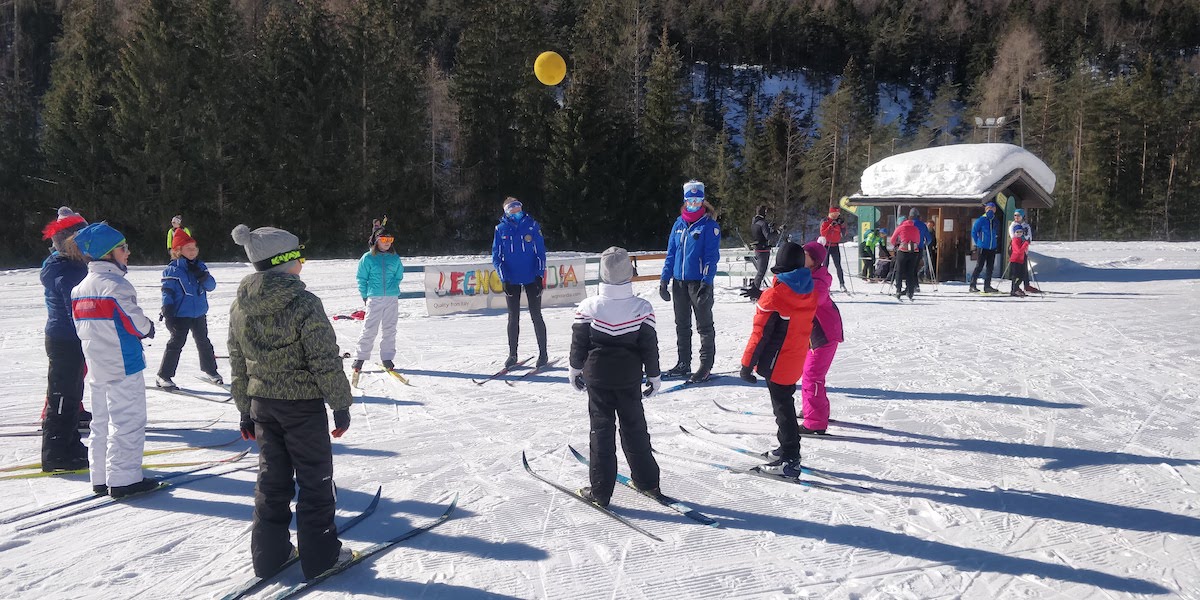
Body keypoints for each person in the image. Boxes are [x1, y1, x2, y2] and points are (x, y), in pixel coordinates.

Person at [228, 224, 355, 580]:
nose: (303, 262)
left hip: (262, 406)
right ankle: (321, 556)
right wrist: (340, 403)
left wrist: (244, 410)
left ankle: (270, 555)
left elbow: (237, 361)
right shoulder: (304, 303)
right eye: (299, 256)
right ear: (285, 262)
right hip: (301, 405)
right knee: (315, 481)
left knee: (272, 480)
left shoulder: (241, 305)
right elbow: (323, 357)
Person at [569, 247, 663, 507]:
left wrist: (575, 369)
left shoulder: (589, 306)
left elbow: (579, 344)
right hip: (629, 379)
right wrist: (654, 376)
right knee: (635, 429)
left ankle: (600, 491)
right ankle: (648, 482)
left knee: (601, 431)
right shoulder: (642, 308)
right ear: (630, 273)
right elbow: (649, 347)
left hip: (598, 379)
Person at [70, 222, 157, 498]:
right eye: (123, 248)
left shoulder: (80, 288)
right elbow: (135, 323)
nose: (127, 253)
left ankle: (100, 476)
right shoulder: (115, 286)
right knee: (128, 420)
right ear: (108, 254)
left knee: (101, 421)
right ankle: (124, 479)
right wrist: (148, 327)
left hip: (97, 365)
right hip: (124, 364)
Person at [738, 242, 818, 477]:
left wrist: (746, 365)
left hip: (779, 363)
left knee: (783, 410)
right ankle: (785, 448)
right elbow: (787, 303)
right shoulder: (809, 290)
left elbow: (759, 335)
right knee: (784, 405)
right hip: (795, 359)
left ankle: (791, 458)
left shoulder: (774, 297)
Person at [39, 207, 91, 472]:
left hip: (73, 338)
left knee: (72, 393)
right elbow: (73, 303)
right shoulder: (62, 268)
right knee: (62, 397)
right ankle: (55, 452)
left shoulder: (73, 265)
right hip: (64, 339)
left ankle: (70, 443)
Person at [661, 180, 721, 382]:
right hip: (679, 283)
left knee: (704, 325)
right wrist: (664, 280)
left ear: (703, 200)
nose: (694, 204)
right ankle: (683, 362)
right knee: (682, 325)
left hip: (699, 283)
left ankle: (705, 365)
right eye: (690, 200)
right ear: (685, 201)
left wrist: (707, 281)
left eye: (697, 200)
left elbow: (712, 257)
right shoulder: (679, 224)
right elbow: (671, 254)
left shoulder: (709, 226)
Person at [156, 229, 221, 389]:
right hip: (179, 315)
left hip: (199, 313)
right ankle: (163, 375)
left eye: (195, 248)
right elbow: (167, 291)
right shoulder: (173, 270)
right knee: (176, 344)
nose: (193, 251)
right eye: (188, 248)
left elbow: (211, 286)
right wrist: (167, 308)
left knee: (204, 342)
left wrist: (203, 276)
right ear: (178, 251)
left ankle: (211, 370)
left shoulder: (200, 266)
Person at [492, 197, 548, 368]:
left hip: (532, 277)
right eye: (512, 210)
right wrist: (504, 278)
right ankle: (513, 354)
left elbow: (540, 252)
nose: (517, 213)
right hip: (512, 279)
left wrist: (539, 275)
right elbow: (496, 256)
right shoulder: (501, 229)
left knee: (536, 315)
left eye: (518, 209)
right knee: (513, 316)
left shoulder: (532, 225)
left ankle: (543, 353)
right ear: (506, 212)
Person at [797, 241, 843, 434]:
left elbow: (815, 298)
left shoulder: (819, 280)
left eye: (805, 255)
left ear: (815, 261)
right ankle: (812, 410)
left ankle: (815, 423)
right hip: (814, 334)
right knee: (809, 375)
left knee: (812, 377)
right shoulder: (807, 274)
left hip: (824, 335)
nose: (801, 258)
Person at [351, 218, 404, 380]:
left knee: (390, 328)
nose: (387, 243)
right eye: (383, 240)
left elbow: (398, 276)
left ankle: (387, 357)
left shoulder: (394, 258)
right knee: (370, 328)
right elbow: (361, 278)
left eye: (390, 240)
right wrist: (365, 295)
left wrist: (393, 289)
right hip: (374, 297)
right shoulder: (367, 258)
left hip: (391, 298)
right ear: (376, 241)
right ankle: (360, 357)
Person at [969, 201, 1002, 293]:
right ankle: (972, 285)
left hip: (992, 247)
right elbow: (974, 232)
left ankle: (987, 286)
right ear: (986, 209)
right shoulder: (981, 220)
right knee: (979, 266)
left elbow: (997, 232)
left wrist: (996, 241)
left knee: (990, 267)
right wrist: (979, 242)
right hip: (983, 247)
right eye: (989, 209)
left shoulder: (995, 220)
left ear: (995, 210)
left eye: (993, 209)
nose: (991, 210)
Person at [889, 216, 922, 301]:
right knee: (910, 272)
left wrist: (897, 244)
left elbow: (892, 240)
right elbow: (918, 241)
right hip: (914, 251)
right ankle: (910, 291)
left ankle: (898, 291)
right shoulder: (916, 228)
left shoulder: (900, 228)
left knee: (899, 271)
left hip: (903, 251)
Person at [1009, 209, 1040, 293]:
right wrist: (1024, 238)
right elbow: (1013, 237)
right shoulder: (1013, 225)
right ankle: (1015, 287)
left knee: (1024, 268)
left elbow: (1029, 237)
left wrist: (1026, 240)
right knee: (1017, 270)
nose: (1016, 217)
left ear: (1022, 216)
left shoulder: (1026, 225)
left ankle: (1026, 285)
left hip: (1024, 250)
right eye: (1015, 215)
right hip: (1016, 250)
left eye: (1018, 215)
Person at [819, 207, 848, 291]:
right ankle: (825, 284)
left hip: (835, 245)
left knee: (838, 265)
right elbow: (822, 233)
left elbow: (844, 234)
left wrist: (842, 226)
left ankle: (842, 284)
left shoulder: (839, 221)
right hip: (826, 245)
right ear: (830, 213)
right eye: (834, 214)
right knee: (825, 266)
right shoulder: (825, 221)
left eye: (837, 214)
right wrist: (830, 226)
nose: (836, 216)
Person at [749, 205, 774, 290]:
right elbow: (768, 236)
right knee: (761, 272)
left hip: (757, 248)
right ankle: (754, 291)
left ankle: (754, 289)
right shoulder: (763, 223)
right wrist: (777, 231)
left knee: (760, 272)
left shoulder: (754, 222)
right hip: (763, 249)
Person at [1009, 227, 1031, 297]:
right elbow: (1019, 251)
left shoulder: (1021, 239)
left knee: (1021, 276)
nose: (1019, 233)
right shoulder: (1015, 240)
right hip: (1015, 260)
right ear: (1014, 233)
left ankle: (1016, 289)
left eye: (1020, 232)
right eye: (1017, 232)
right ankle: (1014, 290)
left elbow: (1023, 250)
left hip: (1020, 260)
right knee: (1016, 276)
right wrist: (1025, 244)